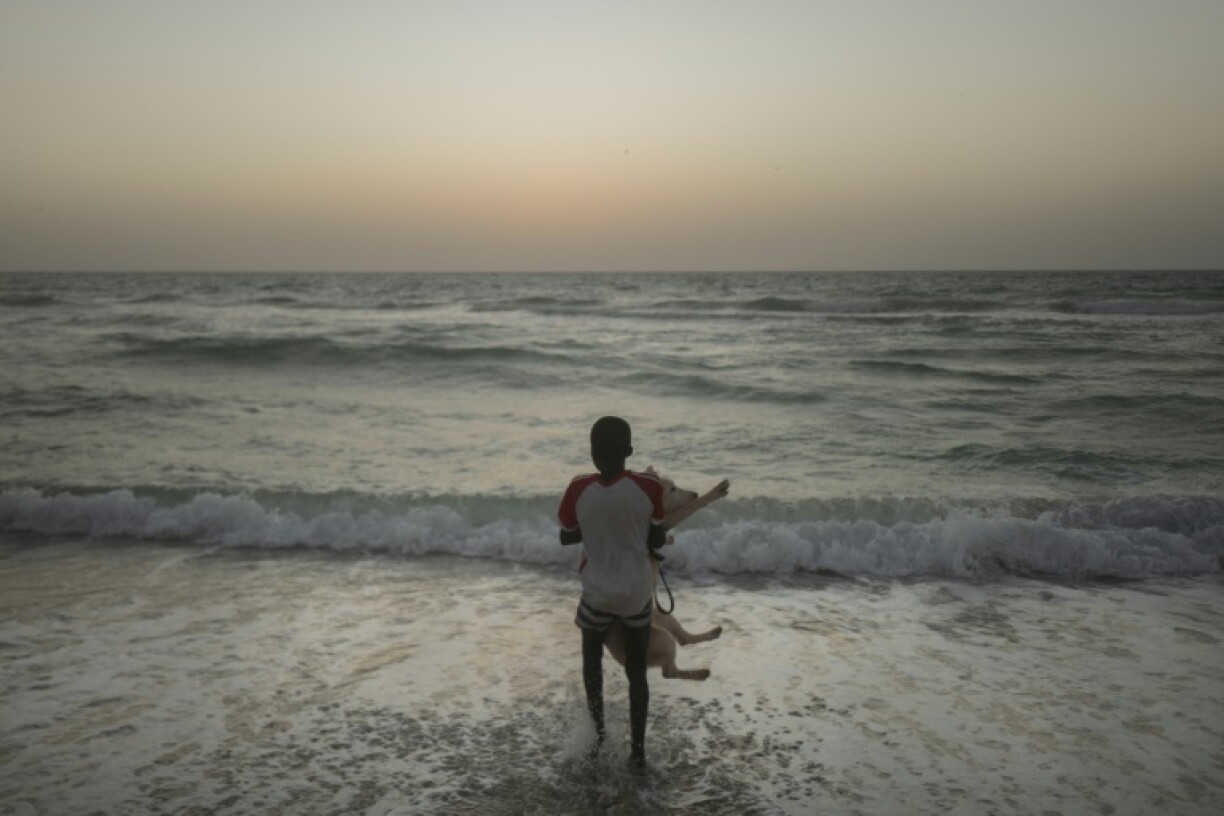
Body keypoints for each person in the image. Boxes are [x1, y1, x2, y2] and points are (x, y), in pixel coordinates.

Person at [557, 416, 667, 769]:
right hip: (635, 594)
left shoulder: (578, 488)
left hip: (597, 594)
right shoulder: (649, 487)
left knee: (591, 657)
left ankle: (600, 734)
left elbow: (567, 533)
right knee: (637, 670)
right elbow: (657, 536)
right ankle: (637, 751)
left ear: (591, 452)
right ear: (630, 452)